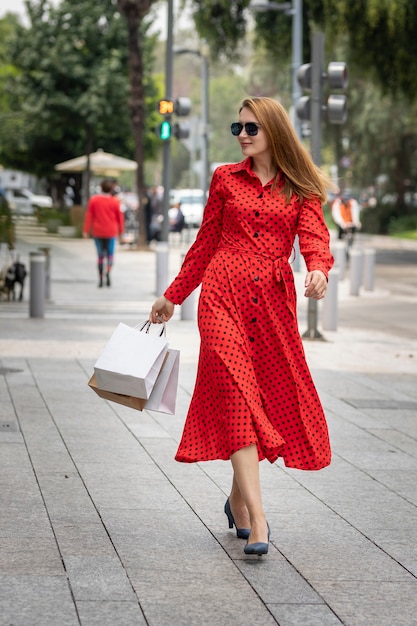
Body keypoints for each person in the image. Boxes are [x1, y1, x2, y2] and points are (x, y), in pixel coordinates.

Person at [150, 97, 334, 557]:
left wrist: (318, 270)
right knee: (235, 393)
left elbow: (315, 237)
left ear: (273, 129)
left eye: (251, 127)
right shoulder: (225, 180)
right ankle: (259, 521)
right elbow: (205, 242)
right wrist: (174, 295)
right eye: (238, 127)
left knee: (259, 399)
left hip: (272, 306)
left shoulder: (300, 188)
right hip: (221, 297)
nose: (243, 135)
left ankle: (236, 500)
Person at [83, 179, 124, 287]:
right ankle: (108, 272)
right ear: (111, 189)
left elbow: (89, 216)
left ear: (101, 188)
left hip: (98, 231)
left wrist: (86, 230)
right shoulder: (115, 201)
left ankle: (101, 278)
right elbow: (120, 217)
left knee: (100, 256)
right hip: (111, 231)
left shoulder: (94, 200)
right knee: (110, 254)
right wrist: (121, 231)